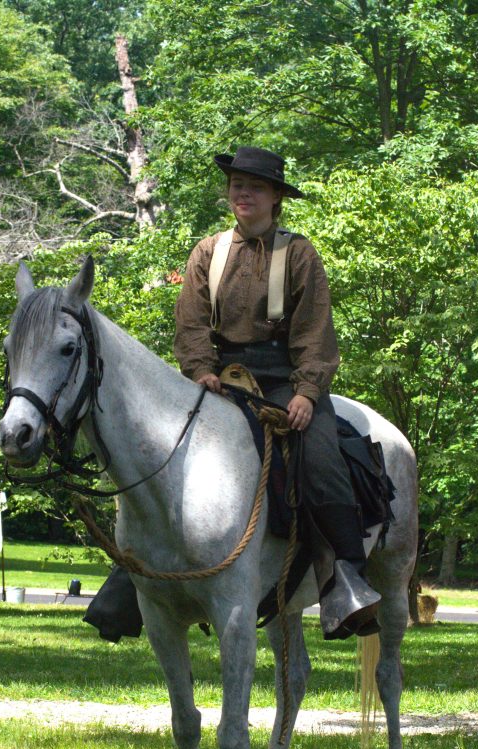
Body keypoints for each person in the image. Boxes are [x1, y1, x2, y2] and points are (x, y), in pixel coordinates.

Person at [174, 145, 380, 639]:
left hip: (286, 374)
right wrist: (201, 369)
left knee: (321, 460)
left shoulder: (300, 253)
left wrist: (308, 393)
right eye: (237, 185)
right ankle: (132, 578)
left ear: (275, 198)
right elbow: (191, 320)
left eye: (256, 186)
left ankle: (348, 577)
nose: (243, 193)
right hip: (220, 374)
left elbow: (315, 331)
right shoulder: (207, 251)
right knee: (161, 448)